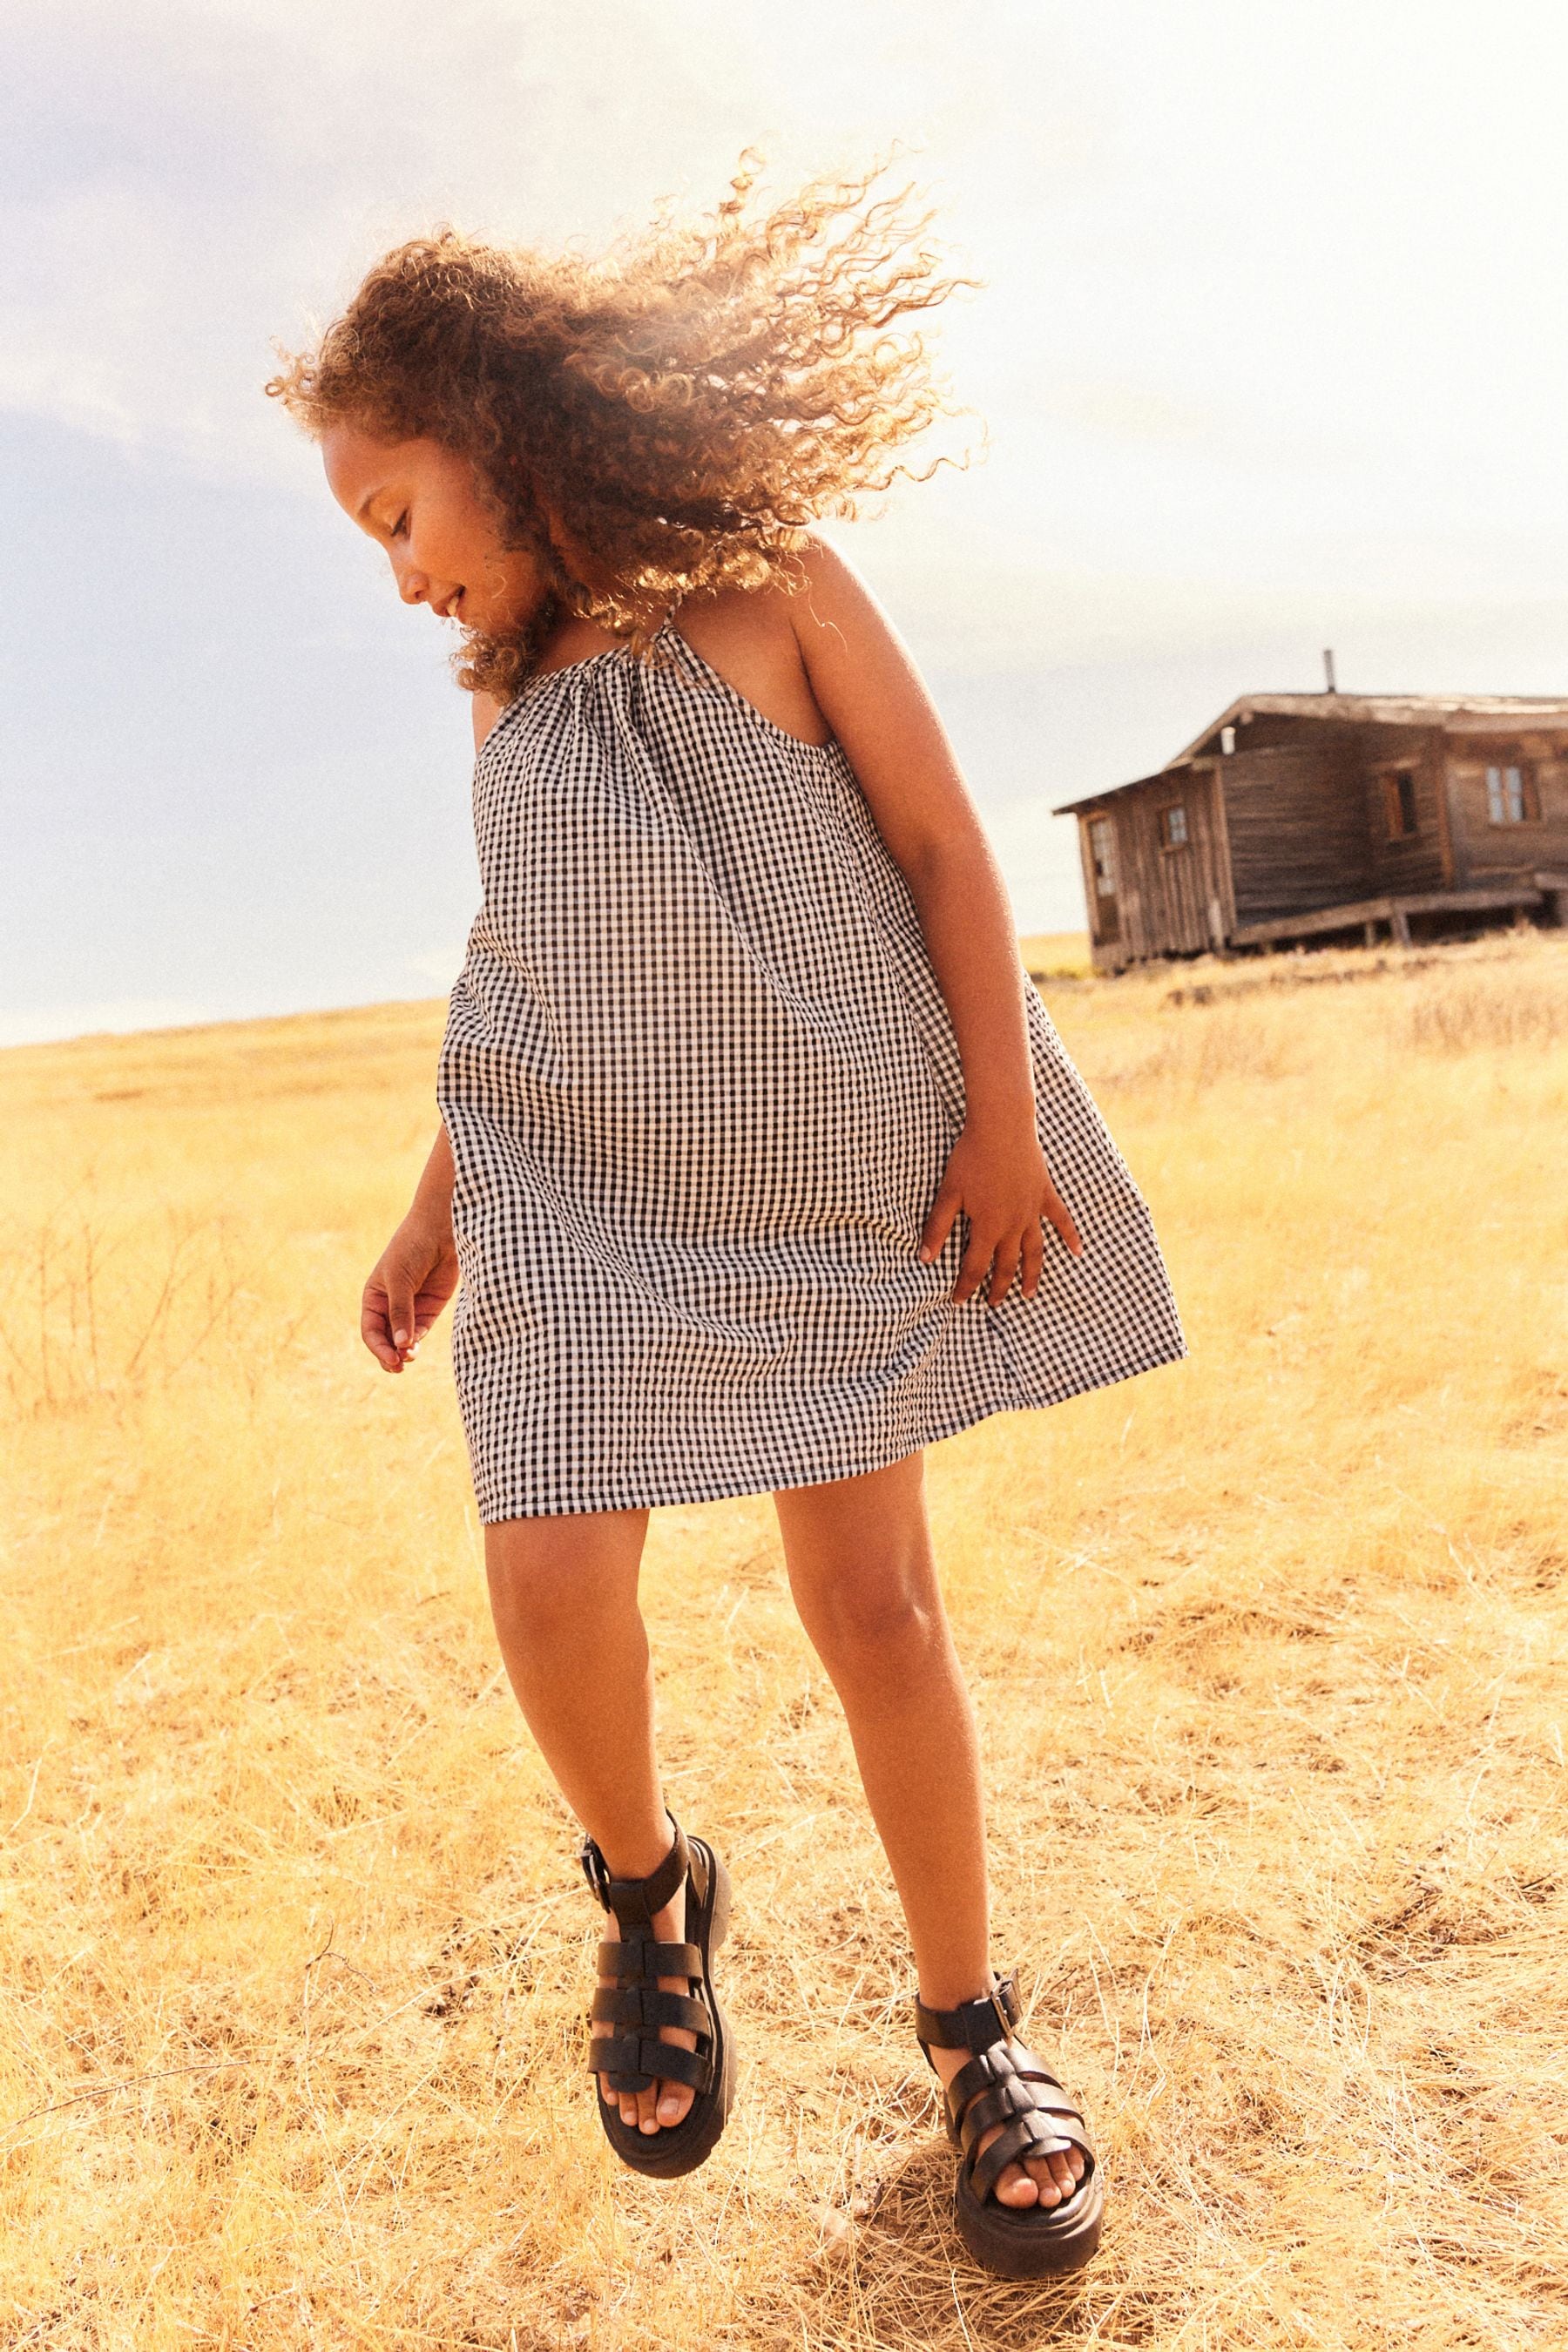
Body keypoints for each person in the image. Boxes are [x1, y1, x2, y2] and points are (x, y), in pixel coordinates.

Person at [267, 159, 1184, 2280]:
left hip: (824, 1178)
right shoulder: (507, 697)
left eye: (395, 516)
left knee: (875, 1615)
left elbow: (953, 850)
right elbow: (525, 962)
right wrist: (439, 1211)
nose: (397, 576)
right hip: (580, 1198)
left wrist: (1003, 1127)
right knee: (547, 1571)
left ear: (500, 435)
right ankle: (648, 1894)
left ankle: (973, 2037)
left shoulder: (776, 577)